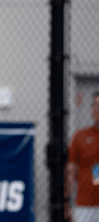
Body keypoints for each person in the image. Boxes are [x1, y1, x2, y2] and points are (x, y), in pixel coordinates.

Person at [66, 90, 99, 222]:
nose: (96, 109)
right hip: (85, 205)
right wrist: (66, 202)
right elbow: (70, 170)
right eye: (93, 105)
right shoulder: (80, 136)